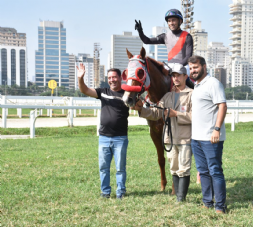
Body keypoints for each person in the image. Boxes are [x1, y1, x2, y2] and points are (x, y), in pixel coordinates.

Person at [131, 63, 193, 202]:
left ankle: (181, 198)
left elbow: (195, 116)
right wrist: (141, 110)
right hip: (170, 138)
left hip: (185, 138)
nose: (176, 78)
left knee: (184, 168)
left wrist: (176, 114)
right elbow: (156, 112)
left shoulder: (192, 95)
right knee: (174, 168)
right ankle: (178, 195)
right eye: (174, 76)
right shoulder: (167, 97)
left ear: (185, 76)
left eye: (179, 75)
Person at [77, 63, 130, 200]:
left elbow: (139, 105)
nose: (112, 80)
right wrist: (80, 78)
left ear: (120, 78)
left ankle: (120, 192)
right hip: (104, 138)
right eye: (109, 77)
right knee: (103, 168)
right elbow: (85, 90)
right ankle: (105, 192)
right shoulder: (103, 92)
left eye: (114, 77)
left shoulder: (127, 94)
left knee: (120, 168)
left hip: (120, 138)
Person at [188, 55, 228, 214]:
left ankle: (220, 206)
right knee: (203, 171)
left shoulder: (213, 83)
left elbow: (223, 106)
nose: (193, 71)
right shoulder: (197, 85)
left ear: (204, 66)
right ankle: (207, 202)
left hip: (211, 138)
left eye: (195, 67)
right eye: (190, 68)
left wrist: (216, 129)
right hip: (196, 138)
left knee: (215, 171)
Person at [135, 9, 194, 88]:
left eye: (173, 20)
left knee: (182, 76)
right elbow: (147, 41)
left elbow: (188, 57)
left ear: (180, 21)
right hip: (169, 66)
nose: (171, 23)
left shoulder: (187, 36)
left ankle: (194, 91)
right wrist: (140, 31)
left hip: (184, 66)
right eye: (169, 21)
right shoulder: (165, 36)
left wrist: (178, 66)